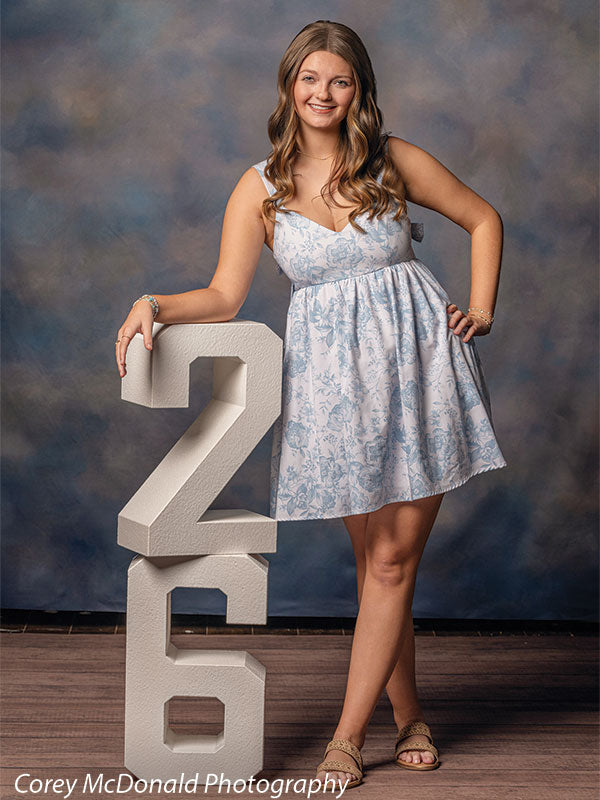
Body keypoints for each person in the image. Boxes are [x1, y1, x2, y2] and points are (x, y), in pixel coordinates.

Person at [115, 19, 507, 791]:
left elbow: (484, 218)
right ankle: (413, 717)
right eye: (310, 79)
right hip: (335, 392)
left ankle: (346, 738)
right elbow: (226, 296)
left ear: (357, 90)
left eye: (340, 80)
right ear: (289, 87)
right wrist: (153, 303)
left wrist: (482, 308)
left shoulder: (393, 161)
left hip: (421, 370)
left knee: (393, 562)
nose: (323, 94)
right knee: (374, 569)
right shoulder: (258, 187)